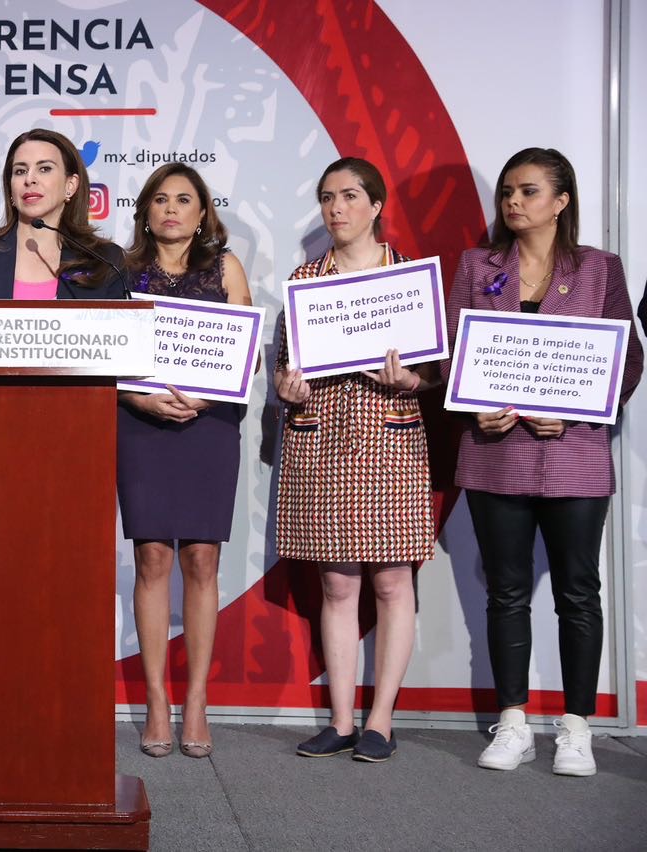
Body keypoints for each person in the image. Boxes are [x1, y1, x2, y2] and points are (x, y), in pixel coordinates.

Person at [446, 148, 643, 777]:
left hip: (575, 457)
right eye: (507, 191)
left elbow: (628, 359)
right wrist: (472, 408)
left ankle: (576, 729)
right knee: (505, 593)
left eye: (528, 191)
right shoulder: (478, 266)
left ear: (561, 201)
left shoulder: (599, 269)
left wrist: (583, 411)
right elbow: (452, 353)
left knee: (578, 593)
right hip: (495, 455)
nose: (513, 201)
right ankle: (512, 724)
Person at [273, 157, 437, 763]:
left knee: (393, 581)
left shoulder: (409, 279)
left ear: (375, 205)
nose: (336, 208)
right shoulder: (305, 279)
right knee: (336, 584)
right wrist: (288, 389)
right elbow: (285, 370)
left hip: (389, 442)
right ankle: (341, 720)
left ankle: (381, 721)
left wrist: (411, 381)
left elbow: (437, 373)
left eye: (347, 196)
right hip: (322, 442)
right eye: (326, 197)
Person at [116, 164, 252, 759]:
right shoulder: (119, 271)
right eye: (160, 200)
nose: (171, 209)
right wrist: (138, 398)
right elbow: (102, 352)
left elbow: (245, 354)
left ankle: (196, 699)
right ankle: (156, 700)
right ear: (146, 212)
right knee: (151, 556)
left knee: (201, 557)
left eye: (184, 200)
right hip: (140, 423)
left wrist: (207, 396)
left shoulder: (226, 268)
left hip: (209, 425)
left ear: (202, 214)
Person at [0, 128, 126, 300]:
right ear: (10, 187)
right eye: (20, 171)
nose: (29, 179)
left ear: (70, 185)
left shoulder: (105, 260)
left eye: (44, 169)